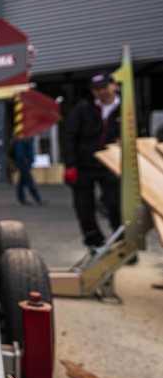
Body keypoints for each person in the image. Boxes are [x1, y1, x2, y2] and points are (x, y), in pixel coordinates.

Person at [63, 72, 121, 248]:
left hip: (112, 165)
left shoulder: (125, 109)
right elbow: (69, 136)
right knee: (83, 207)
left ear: (114, 86)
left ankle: (123, 242)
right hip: (84, 165)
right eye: (96, 89)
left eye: (104, 87)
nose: (101, 92)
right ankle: (94, 242)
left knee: (115, 204)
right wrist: (70, 165)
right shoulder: (83, 108)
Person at [12, 137, 42, 205]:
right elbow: (20, 154)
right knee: (30, 181)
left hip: (25, 163)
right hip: (24, 164)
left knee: (21, 182)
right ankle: (37, 198)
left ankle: (22, 199)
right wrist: (26, 162)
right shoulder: (22, 139)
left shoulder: (27, 139)